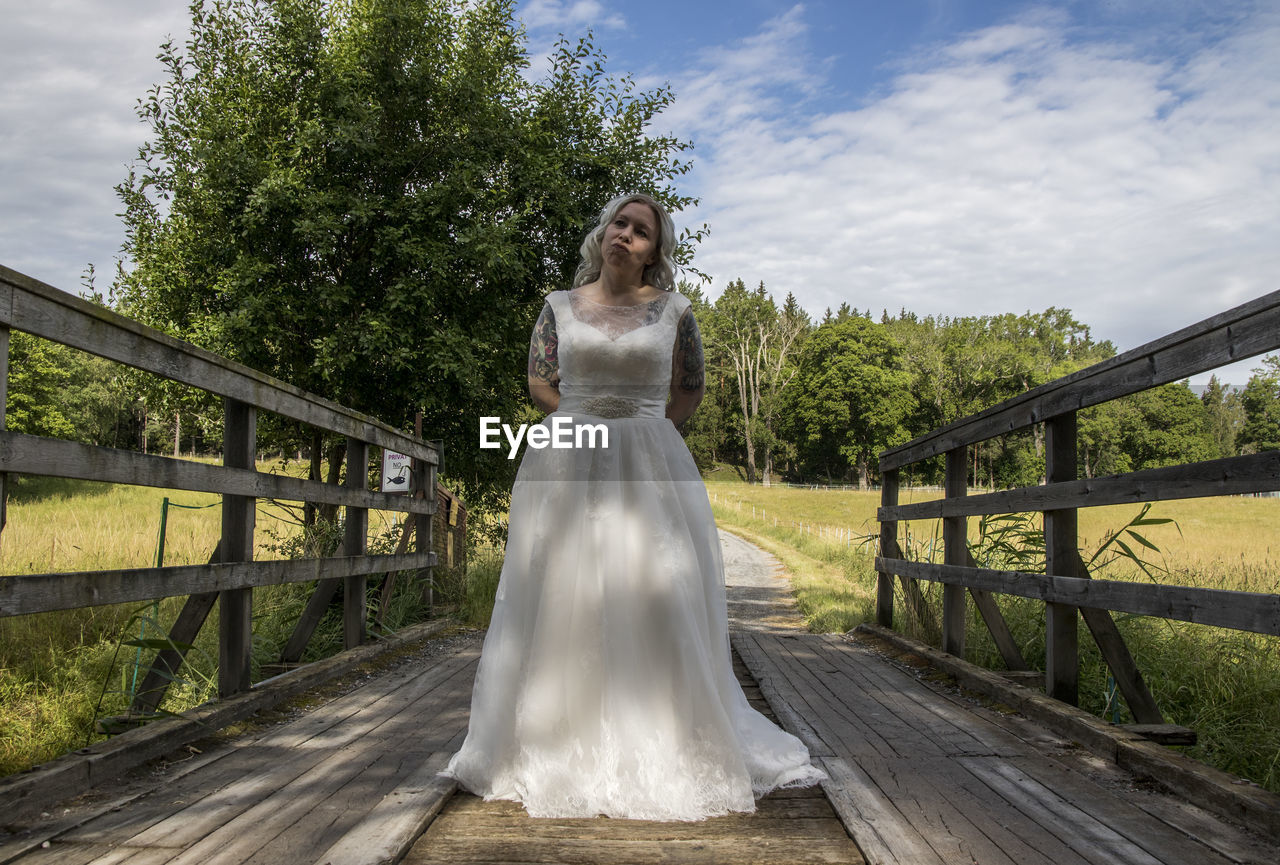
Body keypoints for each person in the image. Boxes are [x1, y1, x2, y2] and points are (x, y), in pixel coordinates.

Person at [441, 193, 825, 821]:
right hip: (569, 456)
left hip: (651, 465)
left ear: (654, 253)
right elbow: (541, 380)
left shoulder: (675, 311)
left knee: (658, 587)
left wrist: (644, 430)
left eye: (641, 231)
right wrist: (586, 427)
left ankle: (666, 738)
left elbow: (690, 388)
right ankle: (554, 740)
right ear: (604, 232)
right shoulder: (558, 307)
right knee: (565, 591)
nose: (625, 234)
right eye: (619, 223)